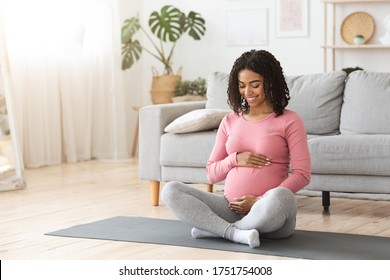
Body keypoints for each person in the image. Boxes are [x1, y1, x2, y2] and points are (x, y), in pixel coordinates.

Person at [162, 49, 311, 248]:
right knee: (171, 190)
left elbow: (302, 174)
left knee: (281, 197)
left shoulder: (290, 120)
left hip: (270, 214)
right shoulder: (230, 121)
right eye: (242, 86)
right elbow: (211, 174)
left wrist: (260, 200)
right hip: (229, 207)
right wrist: (234, 159)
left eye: (255, 85)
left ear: (271, 82)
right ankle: (234, 233)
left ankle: (217, 229)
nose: (247, 92)